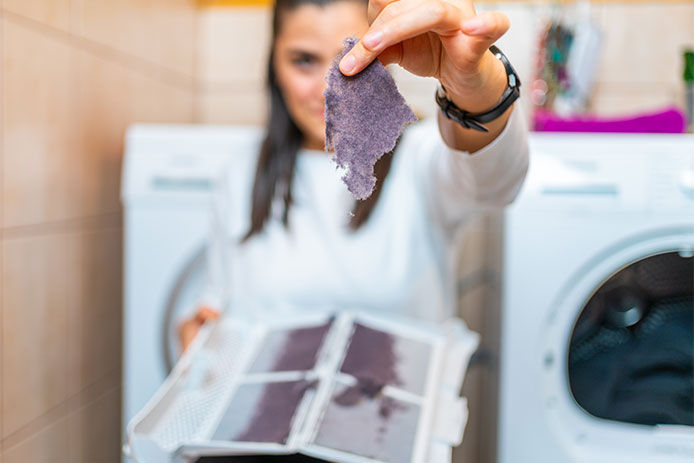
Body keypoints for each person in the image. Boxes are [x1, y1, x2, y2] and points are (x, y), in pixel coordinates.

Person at [179, 0, 529, 351]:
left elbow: (495, 180)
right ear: (274, 65)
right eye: (303, 60)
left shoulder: (420, 157)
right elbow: (216, 308)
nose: (327, 89)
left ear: (387, 59)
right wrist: (200, 339)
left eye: (353, 58)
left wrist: (475, 90)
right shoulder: (241, 173)